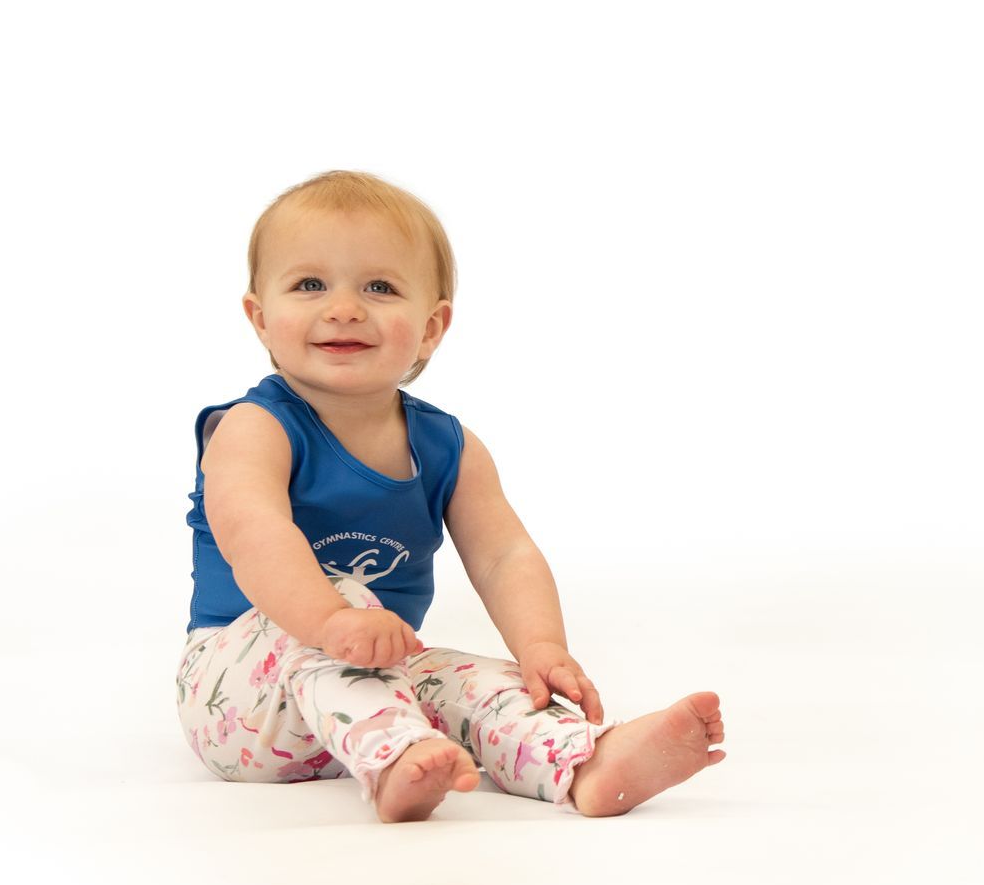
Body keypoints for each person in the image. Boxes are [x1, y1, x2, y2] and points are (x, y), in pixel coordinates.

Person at [178, 171, 726, 822]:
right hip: (239, 699)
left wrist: (541, 647)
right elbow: (254, 532)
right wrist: (331, 620)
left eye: (379, 287)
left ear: (432, 326)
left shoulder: (447, 445)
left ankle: (583, 760)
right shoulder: (253, 428)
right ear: (260, 319)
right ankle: (394, 761)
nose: (345, 307)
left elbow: (504, 554)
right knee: (350, 593)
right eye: (310, 284)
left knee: (471, 678)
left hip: (367, 689)